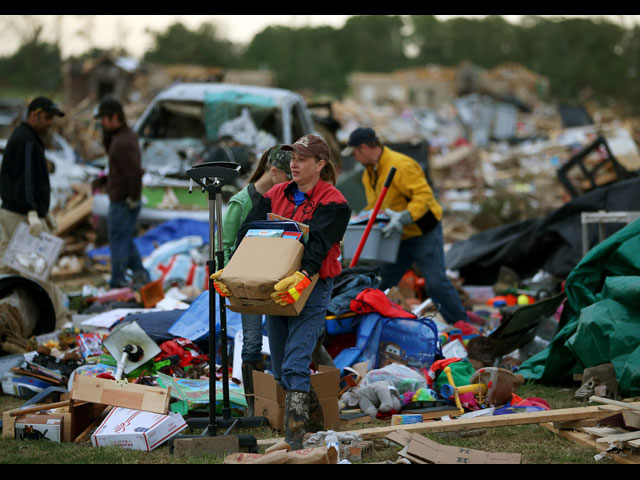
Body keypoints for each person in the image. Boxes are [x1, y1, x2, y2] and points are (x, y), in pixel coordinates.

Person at [211, 134, 351, 449]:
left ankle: (296, 442)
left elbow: (317, 246)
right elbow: (250, 232)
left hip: (310, 286)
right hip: (273, 286)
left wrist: (302, 276)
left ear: (320, 164)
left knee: (295, 362)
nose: (294, 163)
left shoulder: (335, 202)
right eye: (292, 157)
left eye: (302, 158)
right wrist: (233, 270)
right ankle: (315, 417)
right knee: (280, 367)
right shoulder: (275, 194)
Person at [342, 127, 468, 325]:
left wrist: (404, 217)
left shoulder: (401, 165)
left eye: (355, 153)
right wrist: (362, 219)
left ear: (364, 148)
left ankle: (463, 325)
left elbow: (424, 196)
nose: (355, 158)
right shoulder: (369, 173)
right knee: (383, 284)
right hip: (395, 238)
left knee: (436, 284)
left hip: (422, 232)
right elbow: (375, 205)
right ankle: (375, 326)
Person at [218, 144, 292, 417]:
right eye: (288, 176)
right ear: (274, 172)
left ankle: (280, 397)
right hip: (246, 283)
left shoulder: (284, 197)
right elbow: (225, 247)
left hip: (274, 279)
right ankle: (253, 406)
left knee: (279, 338)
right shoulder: (241, 202)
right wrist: (231, 283)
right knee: (251, 342)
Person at [0, 96, 68, 327]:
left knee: (19, 269)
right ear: (34, 115)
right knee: (35, 272)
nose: (50, 123)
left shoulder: (27, 138)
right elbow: (27, 179)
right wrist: (32, 211)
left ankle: (35, 322)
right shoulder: (27, 140)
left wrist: (42, 211)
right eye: (47, 117)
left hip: (20, 214)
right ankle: (51, 325)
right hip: (21, 217)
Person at [94, 96, 150, 289]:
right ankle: (141, 275)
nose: (101, 123)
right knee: (125, 239)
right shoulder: (121, 138)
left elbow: (134, 172)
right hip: (124, 199)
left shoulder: (123, 142)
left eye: (104, 119)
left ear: (115, 117)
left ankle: (117, 280)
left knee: (117, 241)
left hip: (124, 202)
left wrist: (133, 198)